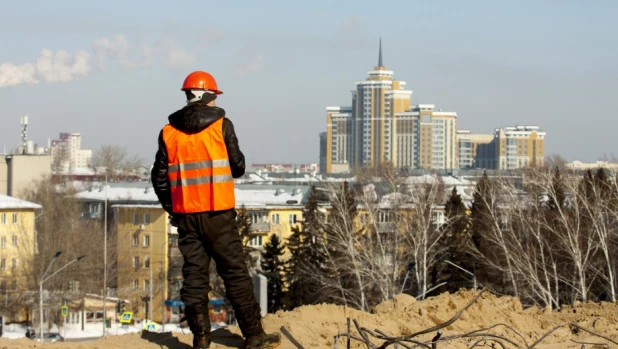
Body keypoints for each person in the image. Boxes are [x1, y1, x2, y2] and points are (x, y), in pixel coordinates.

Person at [151, 71, 281, 349]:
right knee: (234, 272)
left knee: (194, 276)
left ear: (188, 95)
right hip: (219, 215)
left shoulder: (168, 132)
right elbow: (238, 167)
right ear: (209, 95)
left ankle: (201, 339)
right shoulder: (222, 125)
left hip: (186, 216)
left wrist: (172, 208)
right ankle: (255, 336)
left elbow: (159, 179)